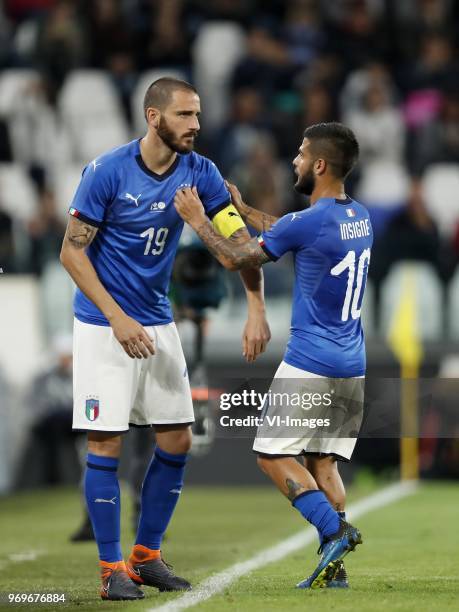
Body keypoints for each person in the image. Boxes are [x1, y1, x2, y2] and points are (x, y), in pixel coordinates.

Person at [60, 77, 270, 601]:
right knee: (106, 441)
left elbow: (240, 244)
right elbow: (71, 252)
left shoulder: (202, 173)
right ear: (154, 118)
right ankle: (111, 570)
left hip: (158, 320)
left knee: (176, 437)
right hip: (102, 324)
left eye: (197, 115)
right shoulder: (107, 172)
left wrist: (255, 306)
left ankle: (146, 557)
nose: (196, 125)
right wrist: (115, 318)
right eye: (184, 116)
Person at [174, 122, 372, 589]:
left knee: (270, 454)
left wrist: (199, 220)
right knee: (323, 462)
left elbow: (236, 258)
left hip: (312, 364)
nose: (295, 161)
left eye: (302, 154)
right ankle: (335, 573)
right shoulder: (357, 215)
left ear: (320, 165)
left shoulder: (310, 222)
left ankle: (334, 531)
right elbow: (291, 231)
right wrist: (243, 209)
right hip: (352, 364)